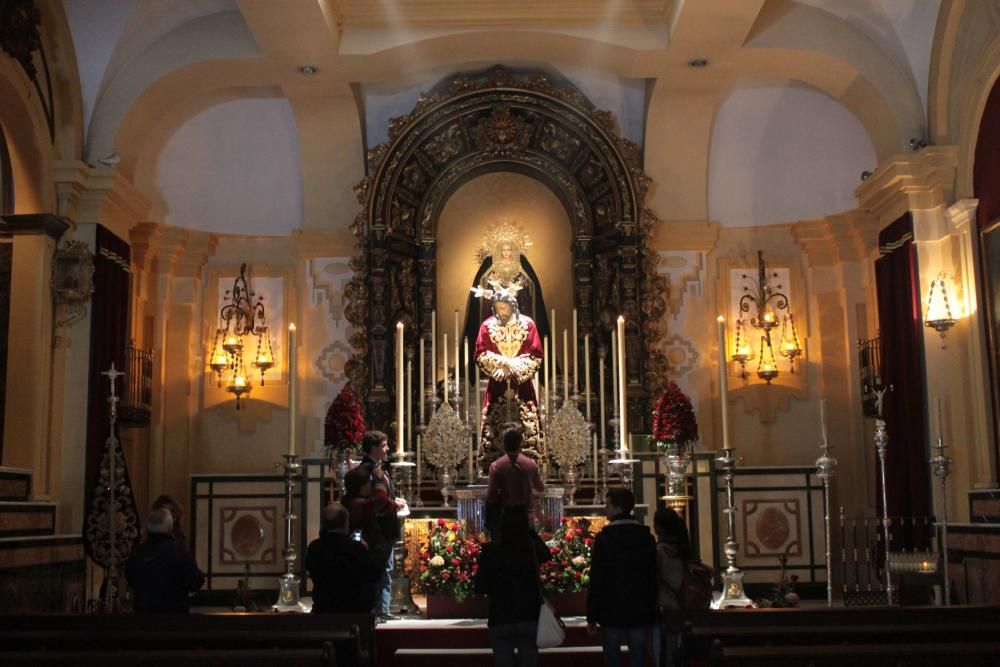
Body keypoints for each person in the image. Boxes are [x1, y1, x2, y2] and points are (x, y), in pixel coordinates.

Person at [471, 279, 543, 460]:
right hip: (497, 384)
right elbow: (480, 353)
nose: (501, 312)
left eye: (504, 307)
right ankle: (492, 460)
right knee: (494, 429)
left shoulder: (528, 325)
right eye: (497, 308)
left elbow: (536, 355)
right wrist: (501, 364)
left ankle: (529, 458)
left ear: (512, 306)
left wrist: (510, 367)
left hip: (522, 387)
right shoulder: (487, 326)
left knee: (526, 428)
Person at [474, 505, 553, 667]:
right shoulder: (529, 548)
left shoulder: (490, 550)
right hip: (528, 614)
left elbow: (480, 586)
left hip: (501, 615)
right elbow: (546, 555)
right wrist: (531, 532)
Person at [586, 488, 657, 667]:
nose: (605, 509)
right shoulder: (645, 537)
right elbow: (652, 575)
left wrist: (592, 615)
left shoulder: (604, 539)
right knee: (638, 657)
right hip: (639, 606)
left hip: (611, 608)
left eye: (608, 505)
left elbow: (597, 579)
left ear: (618, 508)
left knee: (612, 657)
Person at [357, 430, 406, 620]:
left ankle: (382, 610)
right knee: (380, 570)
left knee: (386, 568)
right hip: (379, 528)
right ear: (374, 447)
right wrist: (394, 504)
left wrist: (394, 499)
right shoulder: (368, 470)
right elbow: (376, 502)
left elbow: (382, 496)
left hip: (384, 528)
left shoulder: (377, 468)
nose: (388, 449)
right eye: (384, 446)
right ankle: (378, 611)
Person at [125, 508, 205, 613]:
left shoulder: (137, 553)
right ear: (170, 527)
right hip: (175, 616)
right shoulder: (179, 552)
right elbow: (196, 580)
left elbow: (131, 578)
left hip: (144, 616)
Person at [306, 503, 382, 613]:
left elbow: (311, 569)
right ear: (345, 523)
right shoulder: (355, 548)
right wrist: (366, 552)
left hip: (323, 607)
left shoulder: (314, 547)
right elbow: (374, 574)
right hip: (354, 609)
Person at [485, 422, 545, 532]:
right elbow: (540, 488)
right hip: (526, 515)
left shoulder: (496, 466)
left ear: (503, 443)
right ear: (520, 443)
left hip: (505, 516)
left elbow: (491, 496)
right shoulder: (530, 464)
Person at [653, 507, 691, 667]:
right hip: (680, 603)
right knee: (676, 647)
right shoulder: (682, 548)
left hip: (665, 604)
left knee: (667, 651)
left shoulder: (661, 550)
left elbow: (655, 577)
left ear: (659, 528)